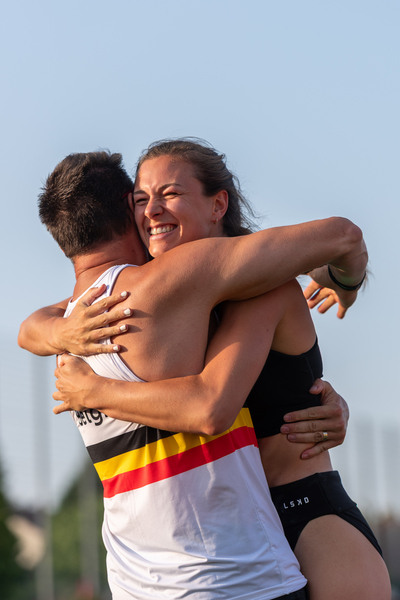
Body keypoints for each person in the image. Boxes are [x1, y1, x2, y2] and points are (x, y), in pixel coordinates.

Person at [18, 149, 375, 599]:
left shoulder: (245, 285)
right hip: (231, 550)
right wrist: (57, 331)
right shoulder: (119, 304)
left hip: (302, 517)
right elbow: (31, 327)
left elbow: (210, 406)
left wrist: (345, 285)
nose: (153, 210)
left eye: (170, 194)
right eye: (142, 199)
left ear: (218, 205)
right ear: (127, 212)